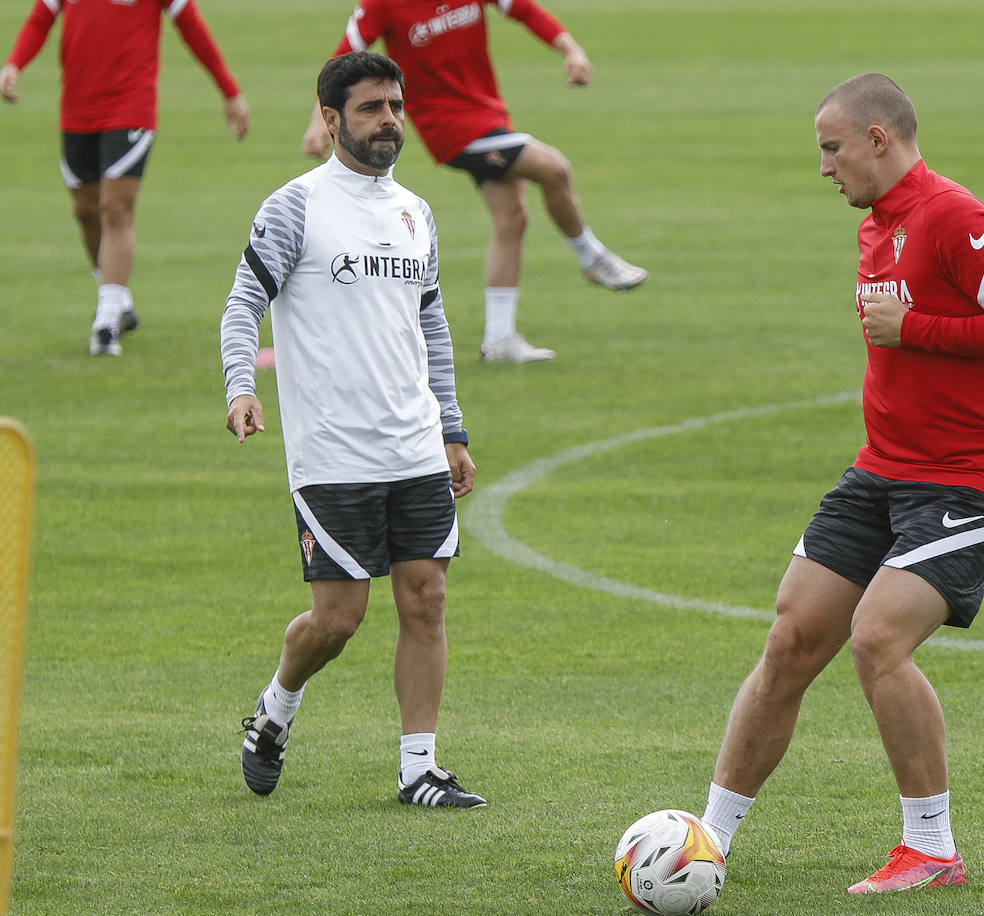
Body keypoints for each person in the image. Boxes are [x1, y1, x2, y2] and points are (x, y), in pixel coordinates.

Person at [699, 74, 984, 894]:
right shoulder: (877, 225)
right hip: (882, 470)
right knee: (790, 640)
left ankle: (931, 849)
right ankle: (707, 841)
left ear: (877, 140)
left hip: (975, 479)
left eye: (831, 149)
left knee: (876, 637)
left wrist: (918, 329)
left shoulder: (954, 217)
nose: (824, 168)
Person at [222, 51, 485, 809]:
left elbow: (431, 325)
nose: (389, 122)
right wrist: (242, 387)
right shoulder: (294, 207)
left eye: (395, 106)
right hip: (332, 452)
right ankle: (275, 708)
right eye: (371, 108)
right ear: (331, 119)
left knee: (426, 599)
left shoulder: (415, 213)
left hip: (414, 444)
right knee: (339, 618)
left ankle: (418, 770)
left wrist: (452, 430)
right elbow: (243, 305)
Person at [302, 0, 647, 364]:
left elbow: (524, 10)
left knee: (512, 218)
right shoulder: (382, 5)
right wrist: (318, 121)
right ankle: (592, 257)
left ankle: (498, 340)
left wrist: (571, 49)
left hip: (488, 114)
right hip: (448, 128)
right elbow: (341, 61)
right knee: (554, 168)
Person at [2, 0, 249, 357]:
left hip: (131, 105)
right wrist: (14, 63)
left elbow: (191, 25)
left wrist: (229, 90)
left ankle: (105, 323)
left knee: (114, 208)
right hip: (76, 110)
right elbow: (42, 16)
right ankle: (119, 300)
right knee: (85, 210)